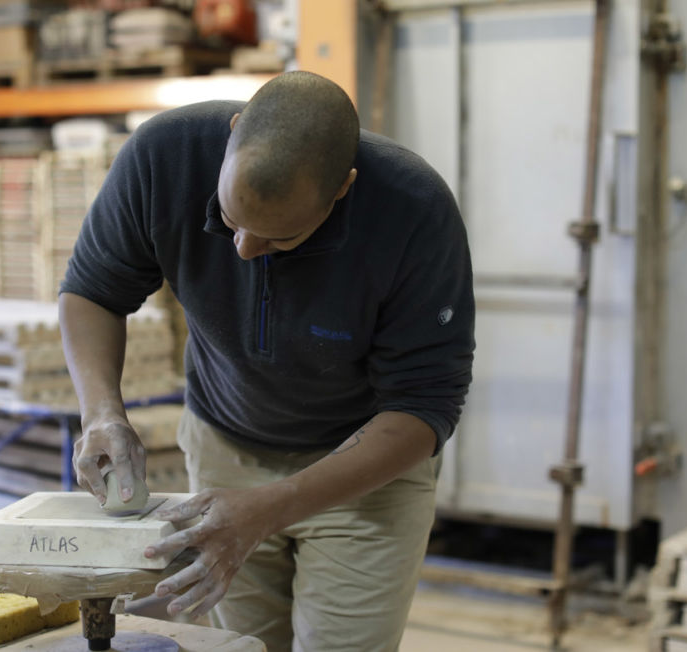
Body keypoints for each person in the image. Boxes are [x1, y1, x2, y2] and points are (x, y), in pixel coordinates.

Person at [58, 70, 474, 652]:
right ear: (232, 137)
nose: (244, 249)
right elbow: (93, 292)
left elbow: (426, 405)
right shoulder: (164, 157)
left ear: (342, 190)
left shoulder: (414, 213)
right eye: (230, 219)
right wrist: (101, 413)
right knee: (243, 648)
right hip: (224, 446)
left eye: (280, 239)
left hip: (363, 472)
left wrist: (269, 509)